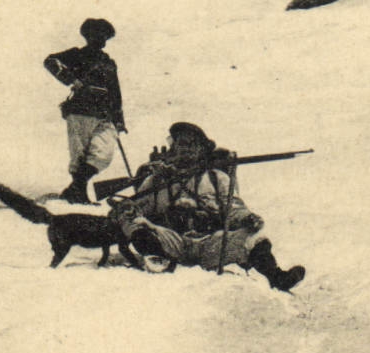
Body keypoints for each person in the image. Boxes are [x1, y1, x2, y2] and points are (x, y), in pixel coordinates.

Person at [114, 122, 304, 291]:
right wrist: (128, 211)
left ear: (202, 150)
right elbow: (136, 209)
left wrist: (247, 218)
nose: (186, 149)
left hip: (210, 244)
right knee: (139, 225)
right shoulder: (157, 180)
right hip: (173, 242)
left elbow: (234, 209)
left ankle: (277, 277)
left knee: (253, 237)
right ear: (174, 147)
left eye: (192, 145)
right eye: (181, 144)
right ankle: (159, 262)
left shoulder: (217, 178)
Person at [44, 18, 127, 204]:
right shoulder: (76, 55)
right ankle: (79, 194)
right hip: (80, 109)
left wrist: (119, 119)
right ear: (87, 36)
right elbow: (50, 61)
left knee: (103, 154)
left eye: (104, 36)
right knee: (79, 154)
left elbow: (115, 92)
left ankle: (74, 190)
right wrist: (71, 80)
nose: (101, 39)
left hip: (104, 114)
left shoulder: (109, 62)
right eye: (96, 35)